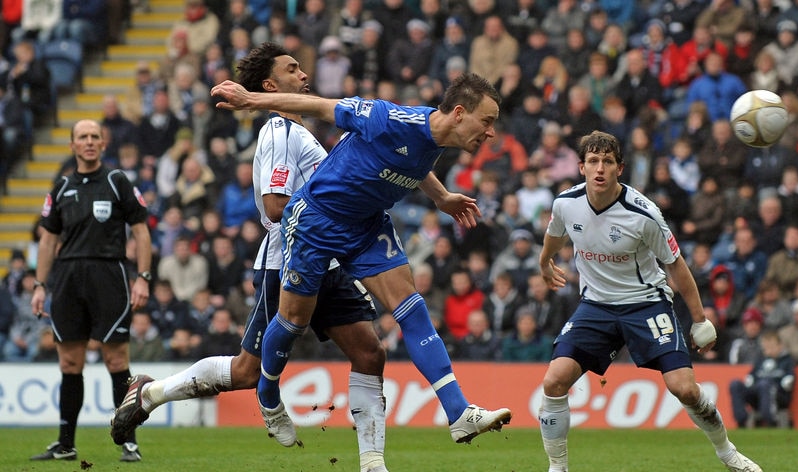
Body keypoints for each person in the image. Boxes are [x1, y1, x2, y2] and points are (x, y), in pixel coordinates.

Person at [111, 43, 392, 472]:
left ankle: (373, 465)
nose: (303, 74)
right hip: (287, 260)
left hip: (328, 259)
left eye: (301, 67)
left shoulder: (303, 134)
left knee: (370, 354)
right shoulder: (278, 130)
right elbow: (276, 205)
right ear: (269, 85)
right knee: (246, 372)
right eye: (292, 68)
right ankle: (151, 393)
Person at [210, 71, 512, 444]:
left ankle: (458, 412)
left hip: (366, 225)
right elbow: (319, 106)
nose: (491, 132)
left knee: (412, 307)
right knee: (293, 321)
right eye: (487, 121)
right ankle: (268, 395)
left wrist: (441, 197)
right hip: (316, 220)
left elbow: (413, 164)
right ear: (460, 113)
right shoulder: (386, 118)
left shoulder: (437, 139)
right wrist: (250, 100)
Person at [537, 131, 762, 472]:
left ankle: (727, 452)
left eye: (607, 162)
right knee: (554, 381)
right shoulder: (566, 203)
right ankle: (558, 467)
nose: (600, 169)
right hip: (596, 305)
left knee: (684, 390)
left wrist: (700, 319)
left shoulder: (643, 214)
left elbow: (676, 265)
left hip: (646, 304)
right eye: (593, 162)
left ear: (620, 169)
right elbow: (554, 235)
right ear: (581, 167)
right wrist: (544, 262)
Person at [29, 120, 152, 463]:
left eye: (94, 136)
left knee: (116, 359)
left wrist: (142, 277)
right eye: (82, 137)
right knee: (70, 363)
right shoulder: (61, 186)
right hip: (67, 277)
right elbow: (48, 240)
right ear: (72, 145)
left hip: (108, 274)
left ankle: (128, 440)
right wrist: (40, 286)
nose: (88, 141)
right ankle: (65, 444)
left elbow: (141, 231)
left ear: (103, 143)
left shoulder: (117, 181)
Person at [729, 330, 795, 428]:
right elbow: (751, 377)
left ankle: (771, 421)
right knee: (735, 384)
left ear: (780, 346)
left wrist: (778, 384)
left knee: (765, 385)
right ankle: (741, 420)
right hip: (758, 393)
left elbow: (789, 381)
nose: (768, 350)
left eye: (771, 347)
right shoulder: (761, 360)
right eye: (765, 348)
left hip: (778, 395)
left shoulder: (787, 360)